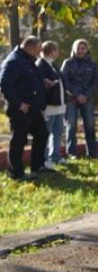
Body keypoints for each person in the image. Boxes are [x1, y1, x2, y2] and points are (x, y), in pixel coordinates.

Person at [0, 36, 50, 180]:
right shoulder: (14, 61)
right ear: (30, 47)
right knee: (19, 140)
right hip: (21, 109)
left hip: (33, 108)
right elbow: (5, 84)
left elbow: (28, 80)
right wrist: (18, 103)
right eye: (38, 49)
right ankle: (16, 173)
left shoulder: (27, 60)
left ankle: (38, 165)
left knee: (42, 134)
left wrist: (43, 82)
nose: (39, 52)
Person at [61, 39, 98, 158]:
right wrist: (77, 95)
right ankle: (71, 152)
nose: (80, 50)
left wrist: (85, 95)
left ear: (87, 50)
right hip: (71, 99)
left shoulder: (92, 64)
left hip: (87, 99)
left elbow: (95, 82)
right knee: (71, 126)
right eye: (78, 48)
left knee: (89, 125)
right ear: (73, 49)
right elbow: (64, 81)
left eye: (83, 48)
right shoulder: (67, 63)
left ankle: (92, 152)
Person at [36, 41, 66, 168]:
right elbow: (40, 84)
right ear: (52, 51)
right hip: (49, 106)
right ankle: (44, 158)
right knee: (46, 133)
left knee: (58, 132)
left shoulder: (53, 64)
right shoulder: (41, 65)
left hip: (58, 105)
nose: (57, 53)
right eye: (56, 50)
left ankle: (56, 156)